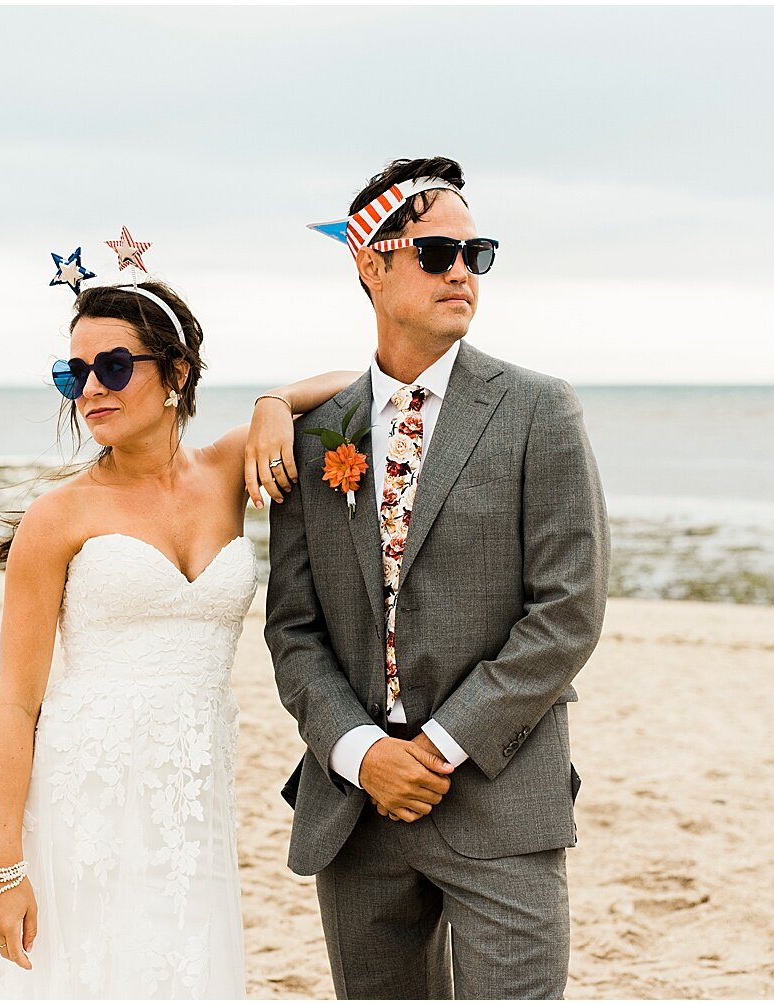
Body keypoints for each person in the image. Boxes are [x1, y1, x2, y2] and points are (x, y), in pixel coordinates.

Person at [0, 268, 356, 998]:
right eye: (74, 373)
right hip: (83, 799)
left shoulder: (231, 467)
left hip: (190, 801)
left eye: (111, 366)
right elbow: (15, 705)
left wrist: (274, 401)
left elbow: (358, 383)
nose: (91, 389)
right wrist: (6, 866)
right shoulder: (57, 517)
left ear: (176, 374)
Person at [264, 156, 610, 999]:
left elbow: (567, 613)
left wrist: (434, 747)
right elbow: (293, 629)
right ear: (370, 262)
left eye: (476, 253)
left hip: (499, 797)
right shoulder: (315, 437)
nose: (462, 270)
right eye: (436, 252)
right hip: (355, 811)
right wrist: (361, 752)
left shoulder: (540, 409)